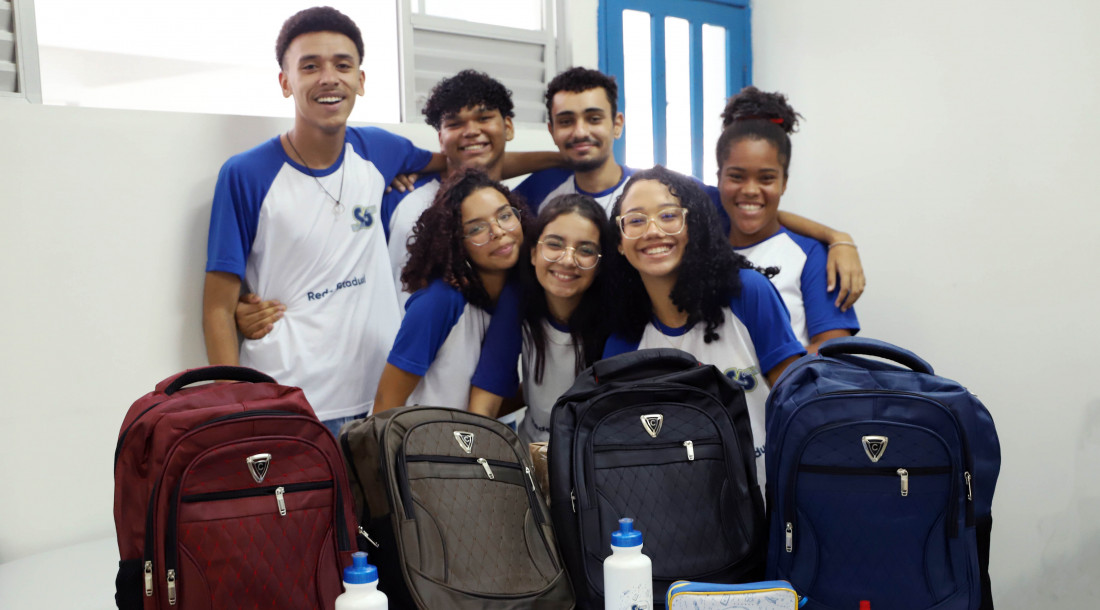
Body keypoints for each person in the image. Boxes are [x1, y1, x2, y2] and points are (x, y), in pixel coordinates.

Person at [202, 6, 445, 436]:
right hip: (288, 404)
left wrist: (564, 157)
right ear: (285, 81)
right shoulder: (245, 174)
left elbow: (462, 163)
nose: (328, 78)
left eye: (342, 65)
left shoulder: (379, 151)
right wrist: (233, 406)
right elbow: (219, 307)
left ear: (361, 81)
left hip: (379, 402)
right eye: (309, 66)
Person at [516, 67, 865, 309]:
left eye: (593, 118)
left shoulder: (658, 190)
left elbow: (747, 205)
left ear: (617, 124)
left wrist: (837, 237)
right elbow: (480, 178)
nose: (580, 132)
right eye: (566, 121)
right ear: (551, 129)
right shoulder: (541, 191)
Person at [602, 166, 806, 485]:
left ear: (693, 226)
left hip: (771, 507)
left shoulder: (746, 293)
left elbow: (799, 407)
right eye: (636, 220)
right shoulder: (623, 340)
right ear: (619, 242)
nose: (652, 230)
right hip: (681, 515)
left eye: (669, 216)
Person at [717, 86, 859, 352]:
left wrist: (767, 369)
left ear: (784, 183)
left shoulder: (812, 255)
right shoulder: (698, 247)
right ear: (718, 179)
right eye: (736, 176)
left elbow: (836, 350)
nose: (750, 190)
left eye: (766, 178)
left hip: (787, 392)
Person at [373, 169, 526, 412]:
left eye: (505, 216)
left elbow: (480, 403)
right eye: (477, 229)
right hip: (420, 443)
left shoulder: (516, 293)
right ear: (456, 242)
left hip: (477, 439)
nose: (498, 231)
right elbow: (385, 402)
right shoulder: (439, 301)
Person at [467, 194, 616, 442]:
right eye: (555, 244)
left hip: (592, 462)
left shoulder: (616, 316)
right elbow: (484, 403)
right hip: (531, 456)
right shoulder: (517, 298)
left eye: (586, 250)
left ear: (600, 265)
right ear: (534, 253)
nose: (568, 260)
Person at [386, 69, 515, 311]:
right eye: (455, 123)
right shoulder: (400, 197)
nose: (471, 131)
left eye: (484, 118)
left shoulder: (514, 209)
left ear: (508, 127)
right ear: (440, 138)